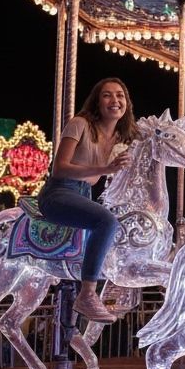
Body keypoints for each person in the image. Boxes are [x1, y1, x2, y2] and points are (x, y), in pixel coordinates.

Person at [38, 77, 135, 324]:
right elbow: (59, 168)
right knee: (107, 221)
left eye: (120, 95)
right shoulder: (79, 124)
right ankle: (87, 294)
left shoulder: (118, 138)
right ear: (97, 101)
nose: (115, 100)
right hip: (59, 193)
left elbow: (95, 179)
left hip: (84, 194)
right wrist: (105, 168)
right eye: (107, 95)